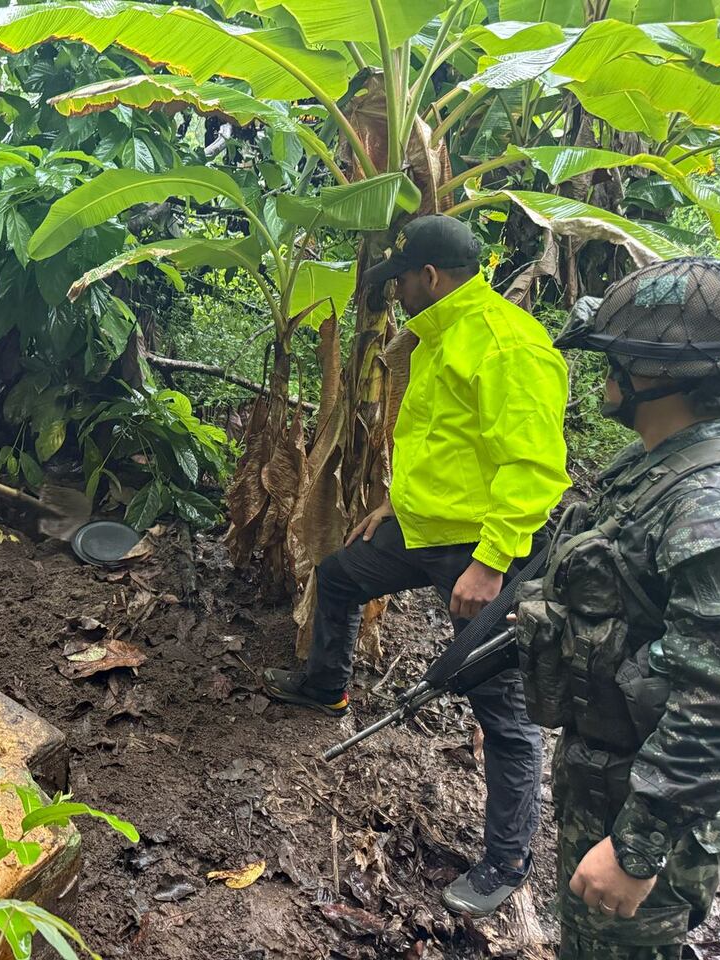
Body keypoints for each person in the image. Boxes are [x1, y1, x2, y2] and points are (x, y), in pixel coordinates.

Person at [263, 215, 572, 915]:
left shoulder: (505, 344)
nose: (395, 294)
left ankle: (506, 862)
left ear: (428, 276)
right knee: (338, 576)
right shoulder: (436, 336)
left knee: (503, 708)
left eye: (399, 280)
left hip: (481, 547)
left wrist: (491, 564)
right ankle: (326, 687)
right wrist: (396, 509)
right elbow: (444, 443)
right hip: (424, 529)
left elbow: (533, 467)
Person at [518, 257, 720, 959]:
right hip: (607, 778)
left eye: (617, 359)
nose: (607, 374)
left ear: (657, 373)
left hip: (647, 811)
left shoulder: (711, 510)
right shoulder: (651, 466)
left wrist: (637, 849)